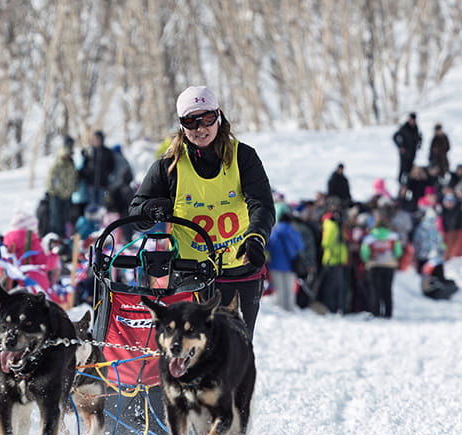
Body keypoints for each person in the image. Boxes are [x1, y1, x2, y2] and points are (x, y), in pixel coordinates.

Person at [128, 85, 275, 337]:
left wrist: (256, 238)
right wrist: (152, 209)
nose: (200, 129)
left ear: (218, 116)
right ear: (181, 125)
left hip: (239, 268)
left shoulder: (243, 157)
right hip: (190, 272)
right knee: (191, 350)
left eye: (207, 119)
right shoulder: (169, 165)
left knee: (234, 349)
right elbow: (135, 215)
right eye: (191, 121)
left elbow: (261, 204)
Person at [359, 215, 403, 318]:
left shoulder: (369, 238)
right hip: (389, 265)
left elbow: (364, 253)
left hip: (374, 266)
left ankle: (375, 312)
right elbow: (398, 252)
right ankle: (388, 313)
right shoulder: (393, 237)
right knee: (387, 290)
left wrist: (368, 260)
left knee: (375, 290)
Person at [266, 211, 305, 312]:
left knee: (279, 290)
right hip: (290, 265)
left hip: (275, 264)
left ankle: (280, 310)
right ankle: (290, 309)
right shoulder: (293, 231)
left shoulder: (274, 231)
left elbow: (268, 246)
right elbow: (300, 247)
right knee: (290, 290)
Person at [45, 136, 78, 237]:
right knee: (56, 217)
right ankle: (54, 235)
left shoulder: (71, 165)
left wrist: (71, 190)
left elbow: (73, 178)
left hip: (67, 196)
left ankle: (64, 235)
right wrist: (56, 191)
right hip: (56, 195)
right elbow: (51, 180)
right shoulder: (56, 165)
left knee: (65, 216)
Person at [78, 130, 116, 213]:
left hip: (102, 184)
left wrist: (107, 175)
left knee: (101, 206)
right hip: (91, 183)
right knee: (91, 206)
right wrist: (86, 173)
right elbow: (84, 164)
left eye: (97, 139)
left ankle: (101, 224)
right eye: (94, 139)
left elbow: (112, 166)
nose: (95, 141)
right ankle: (92, 223)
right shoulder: (90, 151)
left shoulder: (107, 152)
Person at [393, 112, 421, 184]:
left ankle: (409, 183)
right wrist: (400, 146)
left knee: (410, 168)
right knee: (403, 168)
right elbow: (395, 136)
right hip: (404, 152)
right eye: (410, 119)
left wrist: (419, 144)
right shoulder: (404, 127)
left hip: (412, 152)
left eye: (413, 120)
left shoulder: (416, 128)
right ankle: (400, 183)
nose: (411, 121)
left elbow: (419, 137)